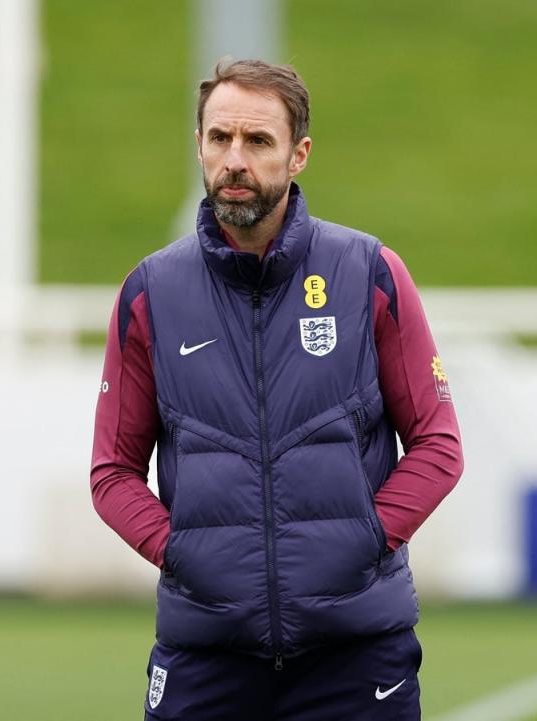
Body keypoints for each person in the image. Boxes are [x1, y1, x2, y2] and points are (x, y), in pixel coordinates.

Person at [90, 59, 463, 721]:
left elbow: (438, 445)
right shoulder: (150, 292)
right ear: (199, 145)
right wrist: (182, 553)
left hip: (356, 654)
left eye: (258, 141)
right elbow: (112, 472)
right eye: (219, 138)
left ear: (298, 155)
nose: (235, 159)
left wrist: (365, 538)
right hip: (206, 652)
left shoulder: (369, 272)